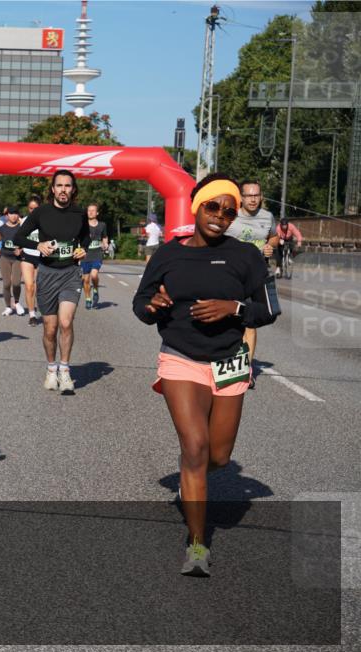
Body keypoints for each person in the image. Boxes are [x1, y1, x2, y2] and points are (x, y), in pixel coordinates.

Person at [133, 173, 278, 576]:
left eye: (229, 212)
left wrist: (235, 308)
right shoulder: (168, 254)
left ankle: (190, 475)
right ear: (197, 207)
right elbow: (141, 303)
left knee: (218, 456)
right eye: (213, 207)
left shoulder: (245, 256)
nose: (220, 216)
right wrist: (152, 306)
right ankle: (197, 546)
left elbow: (269, 309)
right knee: (196, 447)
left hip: (229, 361)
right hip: (180, 357)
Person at [13, 171, 89, 393]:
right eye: (59, 186)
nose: (63, 190)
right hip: (47, 273)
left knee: (65, 322)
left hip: (70, 274)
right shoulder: (41, 212)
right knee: (50, 328)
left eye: (67, 186)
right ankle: (51, 368)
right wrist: (37, 245)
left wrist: (83, 248)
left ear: (73, 189)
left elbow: (86, 237)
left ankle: (65, 371)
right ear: (53, 189)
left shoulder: (79, 213)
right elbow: (18, 237)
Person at [226, 179, 278, 388]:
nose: (253, 199)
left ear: (261, 196)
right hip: (231, 275)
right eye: (248, 195)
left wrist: (270, 246)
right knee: (229, 320)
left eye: (256, 195)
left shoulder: (267, 216)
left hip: (256, 275)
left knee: (250, 322)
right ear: (241, 198)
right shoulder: (230, 216)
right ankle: (224, 362)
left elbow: (274, 236)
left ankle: (245, 370)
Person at [0, 206, 27, 316]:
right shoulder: (2, 228)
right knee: (6, 284)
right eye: (11, 213)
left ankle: (17, 302)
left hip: (17, 259)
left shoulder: (22, 228)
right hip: (5, 257)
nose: (13, 216)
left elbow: (27, 241)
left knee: (16, 283)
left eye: (15, 213)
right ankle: (8, 307)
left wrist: (21, 249)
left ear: (18, 215)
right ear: (7, 215)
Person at [81, 203, 109, 310]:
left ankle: (96, 289)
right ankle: (88, 298)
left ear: (97, 213)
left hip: (97, 254)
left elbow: (105, 237)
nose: (90, 212)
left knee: (94, 275)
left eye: (93, 210)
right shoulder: (83, 225)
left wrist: (105, 244)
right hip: (85, 255)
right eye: (89, 210)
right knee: (86, 280)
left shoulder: (102, 225)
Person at [20, 195, 43, 325]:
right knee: (29, 286)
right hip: (27, 255)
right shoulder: (24, 221)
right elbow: (19, 236)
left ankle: (44, 308)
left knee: (39, 287)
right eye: (30, 208)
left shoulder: (46, 220)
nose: (33, 211)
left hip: (41, 256)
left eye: (35, 208)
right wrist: (18, 247)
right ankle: (32, 314)